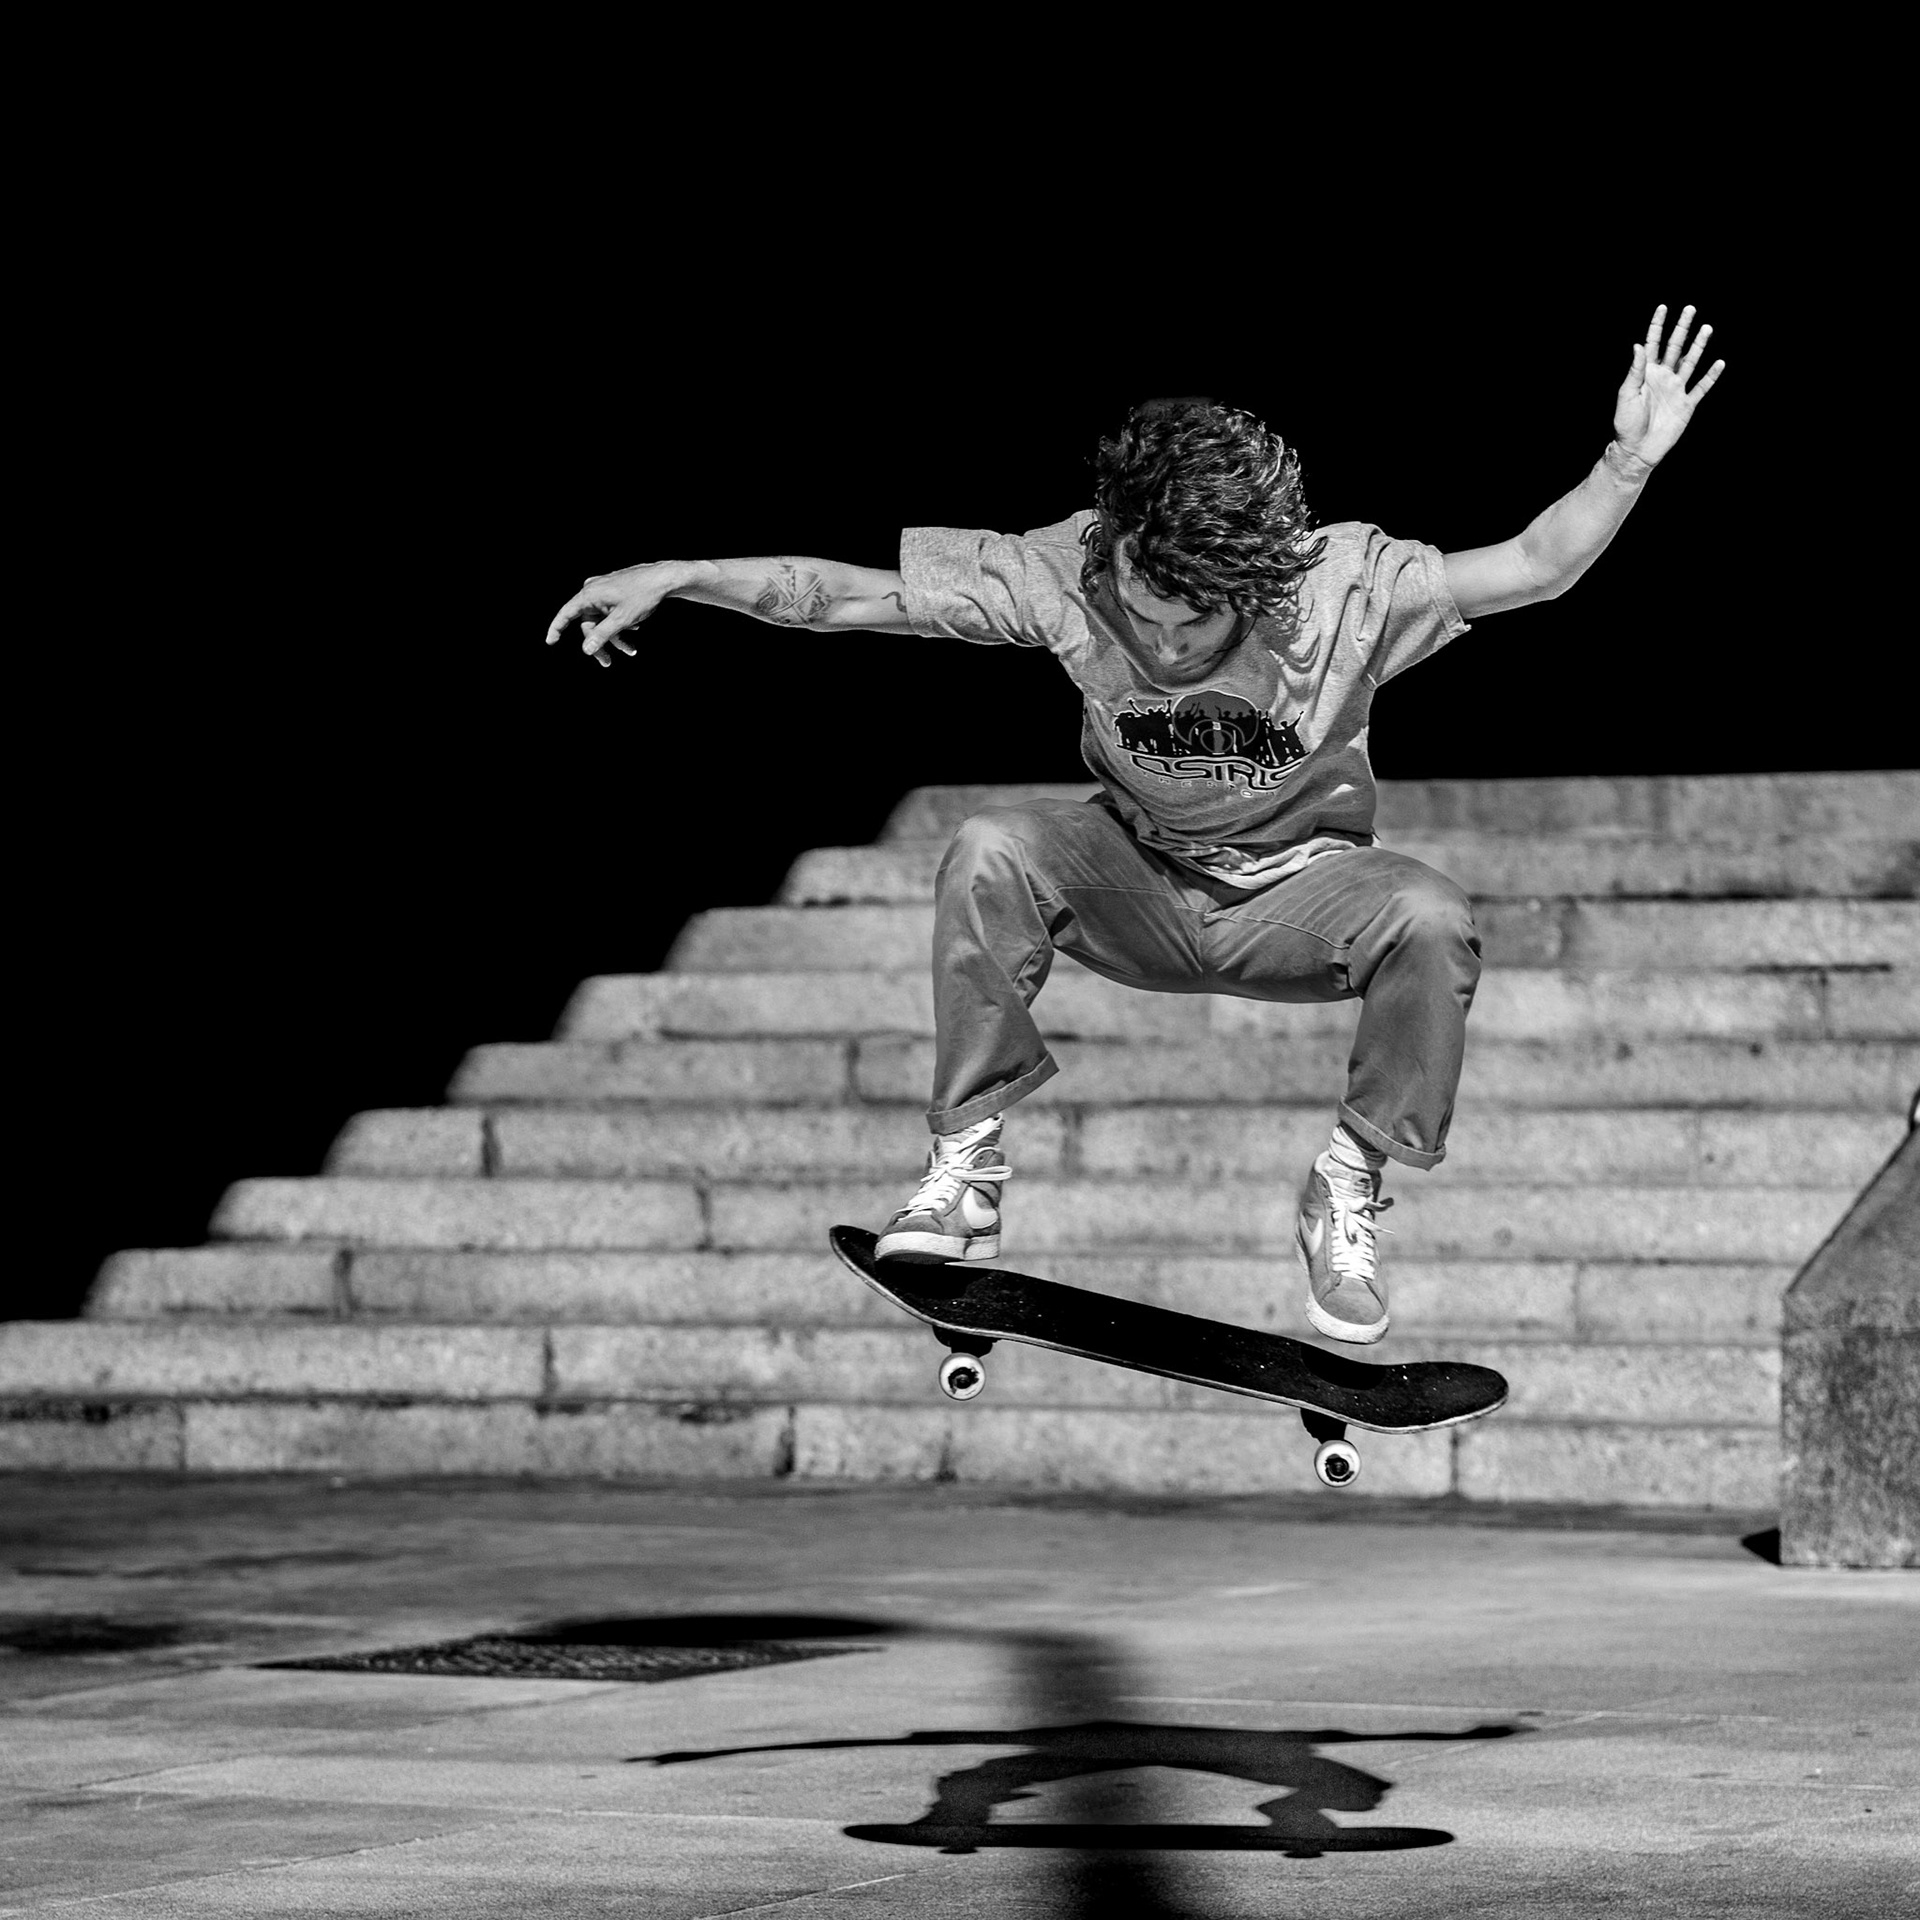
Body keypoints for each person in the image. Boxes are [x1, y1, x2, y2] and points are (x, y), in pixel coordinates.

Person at [545, 305, 1724, 1346]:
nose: (1161, 645)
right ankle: (967, 1168)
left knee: (1430, 915)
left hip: (1299, 902)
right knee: (990, 844)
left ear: (1255, 587)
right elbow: (857, 597)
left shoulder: (1343, 590)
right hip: (1134, 883)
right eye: (1145, 615)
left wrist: (1626, 461)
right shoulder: (1071, 569)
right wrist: (685, 572)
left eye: (1195, 625)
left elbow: (1532, 566)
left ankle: (1346, 1189)